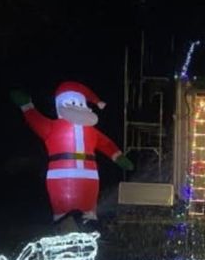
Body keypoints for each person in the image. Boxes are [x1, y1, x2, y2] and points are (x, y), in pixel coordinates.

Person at [10, 82, 133, 224]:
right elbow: (36, 121)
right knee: (63, 214)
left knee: (88, 212)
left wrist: (118, 157)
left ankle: (88, 225)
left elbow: (106, 144)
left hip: (89, 177)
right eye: (73, 102)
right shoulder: (53, 127)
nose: (77, 107)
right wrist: (27, 107)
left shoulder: (91, 131)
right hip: (62, 176)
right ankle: (63, 224)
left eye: (80, 104)